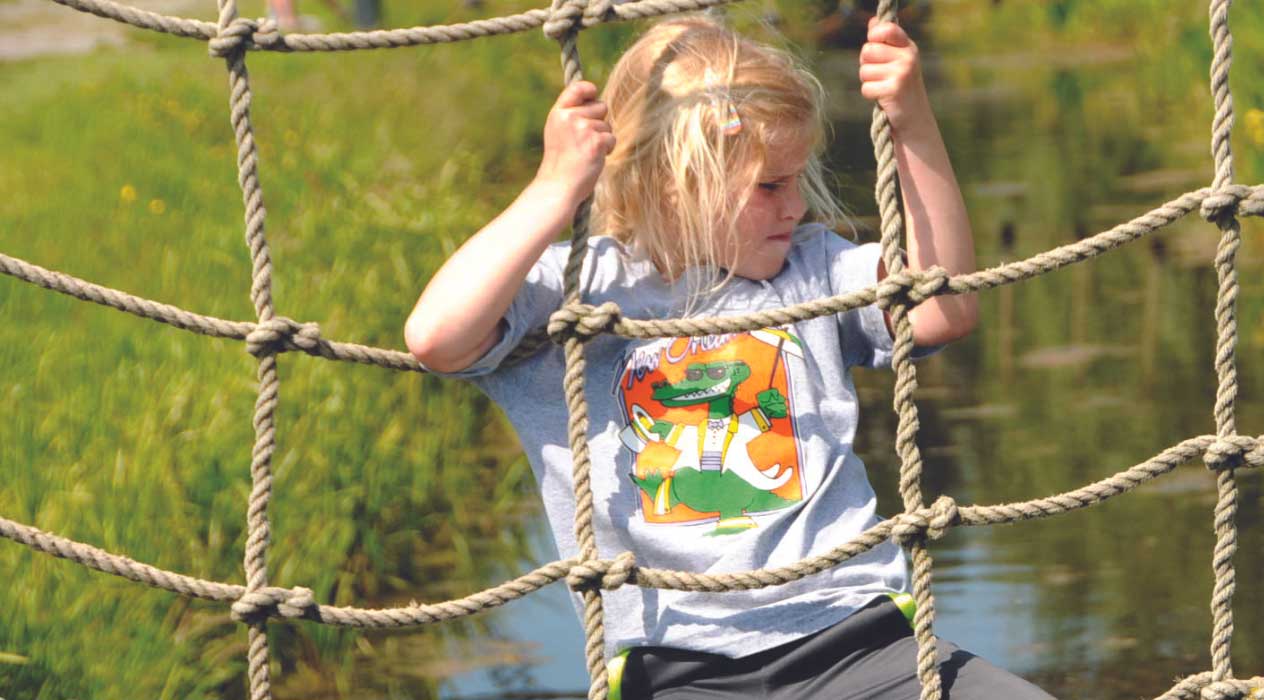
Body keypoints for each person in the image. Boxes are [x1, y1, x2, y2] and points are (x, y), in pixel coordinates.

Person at [403, 12, 1053, 700]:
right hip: (677, 667)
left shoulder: (810, 273)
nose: (796, 206)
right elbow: (437, 338)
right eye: (770, 186)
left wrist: (913, 123)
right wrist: (554, 187)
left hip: (860, 643)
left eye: (796, 179)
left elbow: (943, 307)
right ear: (672, 184)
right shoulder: (577, 295)